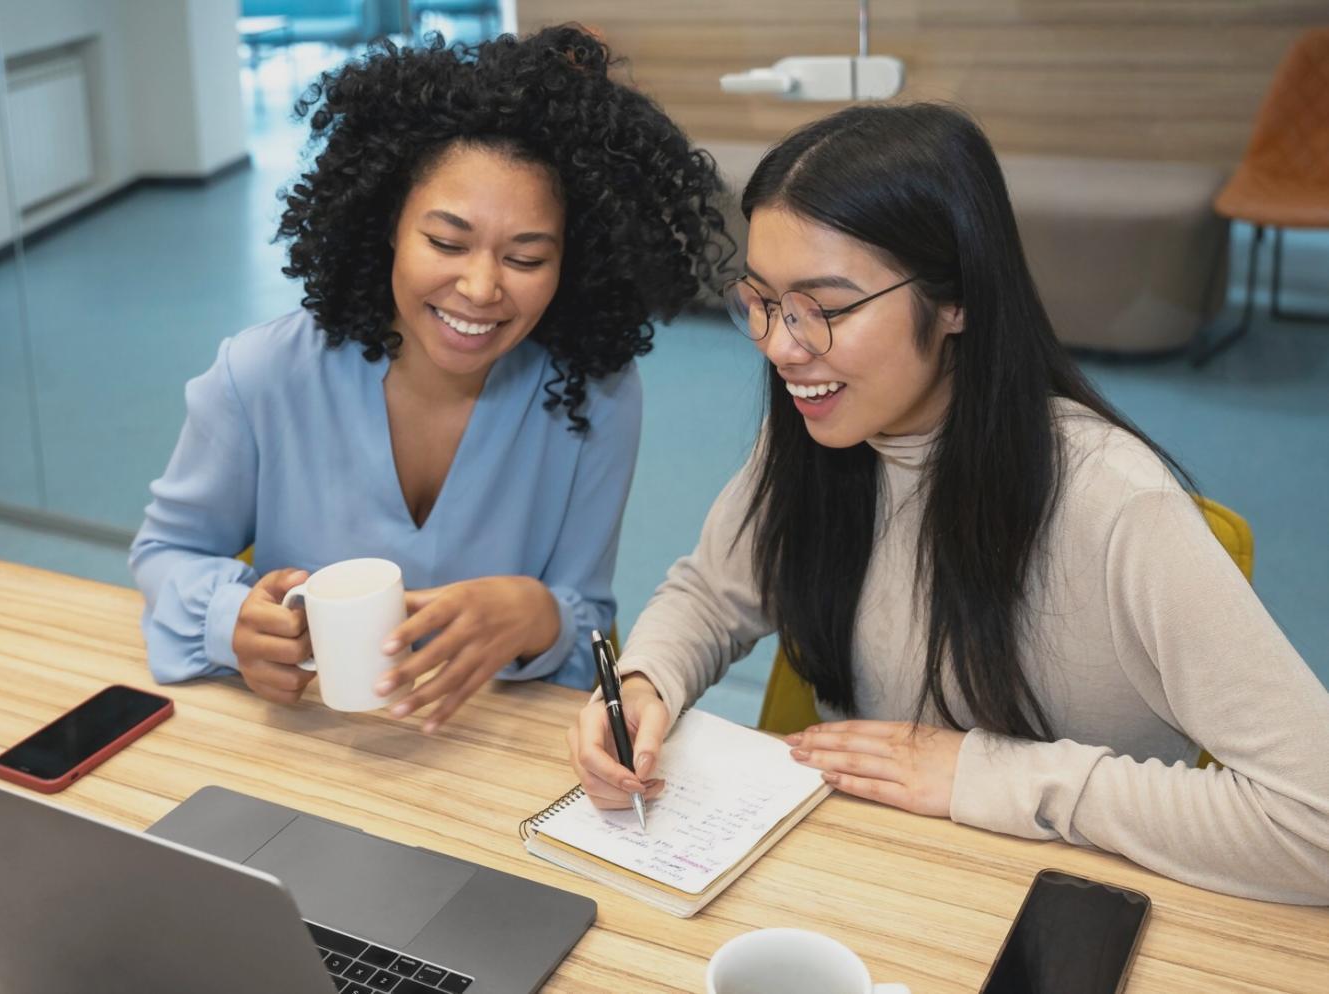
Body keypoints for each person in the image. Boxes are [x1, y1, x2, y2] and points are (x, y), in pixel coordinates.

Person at [567, 103, 1329, 904]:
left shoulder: (1118, 506)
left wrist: (987, 774)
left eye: (826, 308)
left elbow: (1315, 819)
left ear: (956, 297)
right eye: (762, 301)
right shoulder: (818, 431)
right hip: (878, 884)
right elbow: (710, 594)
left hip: (1058, 907)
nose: (782, 346)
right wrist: (646, 684)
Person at [130, 27, 726, 730]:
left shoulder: (595, 396)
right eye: (446, 242)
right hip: (309, 741)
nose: (480, 288)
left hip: (488, 749)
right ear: (389, 222)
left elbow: (584, 618)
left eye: (527, 259)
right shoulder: (261, 375)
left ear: (573, 262)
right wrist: (232, 620)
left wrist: (536, 614)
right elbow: (166, 552)